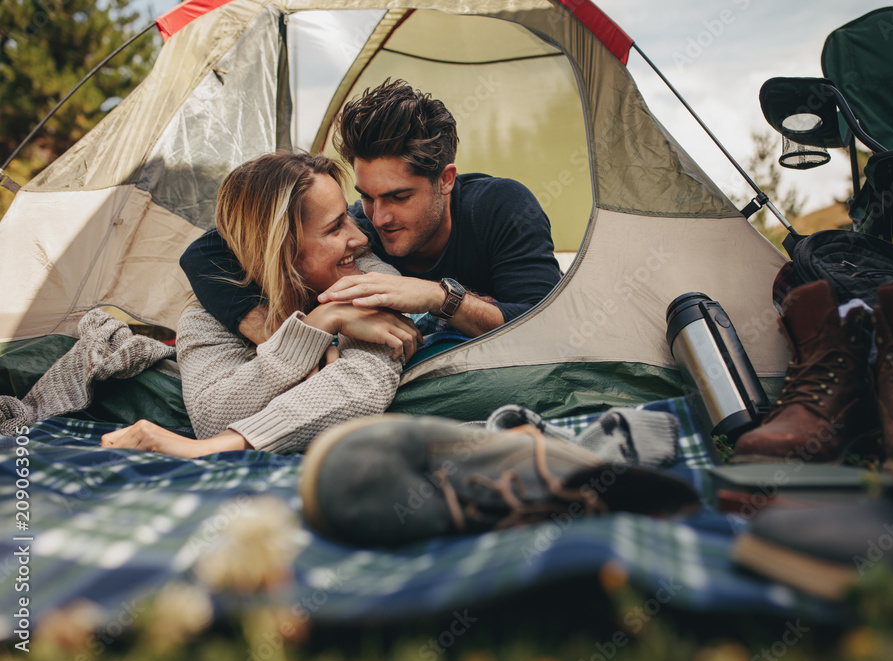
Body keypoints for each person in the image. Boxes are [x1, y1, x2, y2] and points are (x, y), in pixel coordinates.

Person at [180, 79, 562, 344]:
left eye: (398, 197)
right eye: (367, 196)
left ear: (445, 180)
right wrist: (276, 333)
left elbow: (546, 323)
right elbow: (204, 252)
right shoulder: (358, 228)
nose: (377, 220)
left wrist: (435, 296)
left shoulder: (500, 207)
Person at [101, 152, 422, 457]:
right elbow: (211, 417)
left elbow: (366, 381)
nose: (362, 238)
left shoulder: (368, 273)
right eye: (336, 227)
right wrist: (319, 324)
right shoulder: (208, 310)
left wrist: (214, 448)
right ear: (284, 249)